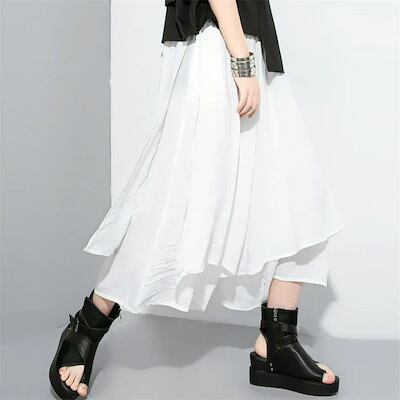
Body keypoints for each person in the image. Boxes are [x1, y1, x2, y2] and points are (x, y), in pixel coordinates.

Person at [49, 0, 344, 398]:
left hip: (247, 47)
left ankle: (277, 340)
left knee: (300, 199)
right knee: (175, 206)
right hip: (222, 50)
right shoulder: (233, 56)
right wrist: (241, 61)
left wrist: (248, 58)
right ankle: (87, 325)